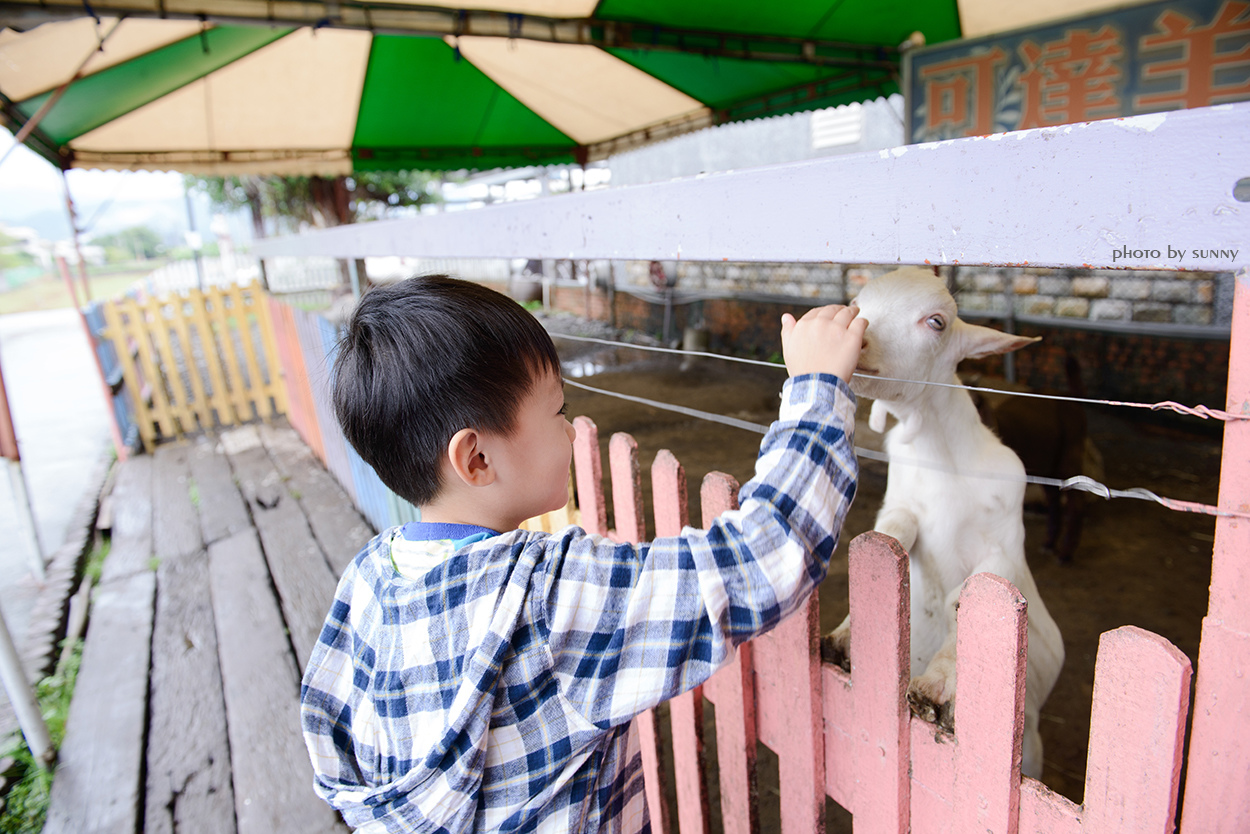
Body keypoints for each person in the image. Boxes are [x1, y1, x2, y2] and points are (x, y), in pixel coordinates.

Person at [300, 275, 867, 833]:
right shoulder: (548, 598)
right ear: (475, 459)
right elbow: (760, 559)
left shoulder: (369, 580)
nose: (572, 432)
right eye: (557, 411)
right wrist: (816, 390)